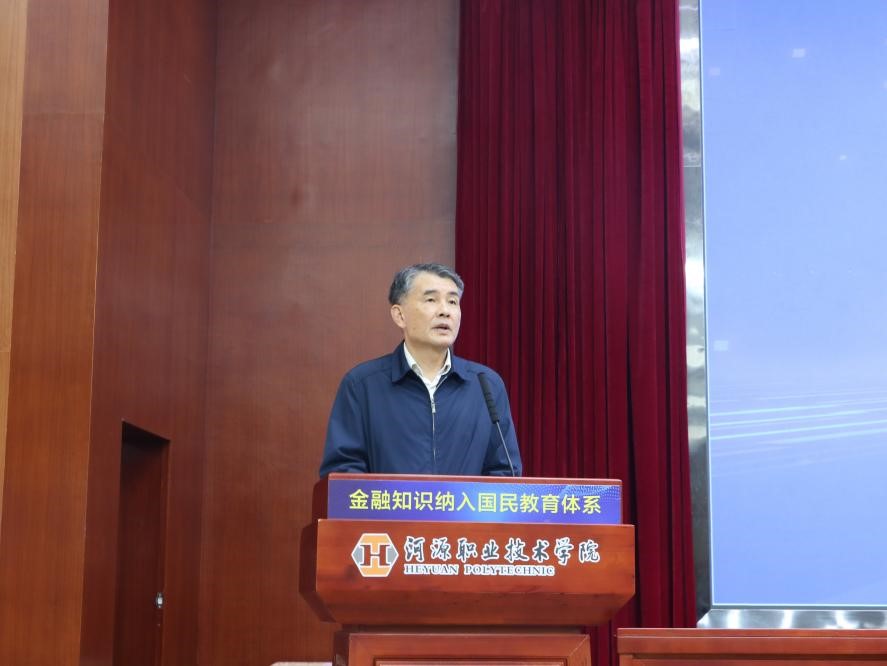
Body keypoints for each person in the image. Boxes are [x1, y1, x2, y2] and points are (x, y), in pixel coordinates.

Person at [319, 263, 522, 476]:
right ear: (400, 315)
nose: (445, 311)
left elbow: (504, 472)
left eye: (452, 301)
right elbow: (344, 472)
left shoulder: (485, 385)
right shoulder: (362, 385)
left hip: (464, 501)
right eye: (431, 300)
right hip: (388, 500)